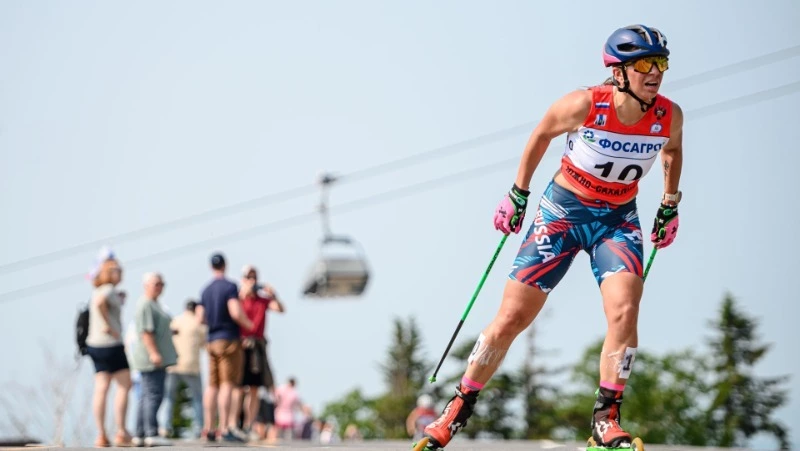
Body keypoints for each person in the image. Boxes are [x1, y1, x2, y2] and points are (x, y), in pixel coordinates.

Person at [420, 24, 683, 449]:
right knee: (511, 318)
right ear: (618, 72)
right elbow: (541, 135)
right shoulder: (583, 104)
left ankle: (605, 418)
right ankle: (458, 406)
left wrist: (670, 203)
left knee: (625, 309)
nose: (657, 73)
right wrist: (517, 194)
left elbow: (672, 149)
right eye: (645, 64)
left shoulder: (669, 115)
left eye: (662, 63)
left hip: (617, 220)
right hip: (562, 213)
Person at [195, 252, 254, 442]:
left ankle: (208, 428)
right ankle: (225, 428)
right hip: (228, 339)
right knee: (227, 384)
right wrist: (248, 324)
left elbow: (200, 318)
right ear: (225, 265)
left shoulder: (205, 290)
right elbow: (235, 311)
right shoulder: (229, 287)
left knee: (212, 386)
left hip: (211, 340)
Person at [84, 247, 133, 447]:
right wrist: (109, 326)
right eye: (118, 271)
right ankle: (121, 431)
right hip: (111, 344)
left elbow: (98, 301)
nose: (121, 274)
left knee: (101, 387)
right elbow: (100, 303)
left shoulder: (97, 288)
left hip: (94, 345)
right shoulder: (108, 290)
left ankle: (101, 434)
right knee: (124, 384)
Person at [130, 272, 176, 447]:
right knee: (154, 395)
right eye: (156, 284)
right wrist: (154, 353)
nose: (159, 287)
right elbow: (146, 331)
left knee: (146, 395)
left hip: (155, 356)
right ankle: (151, 432)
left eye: (162, 284)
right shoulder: (146, 304)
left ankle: (140, 432)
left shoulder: (155, 304)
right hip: (150, 358)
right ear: (146, 285)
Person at [237, 265, 285, 435]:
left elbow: (280, 309)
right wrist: (243, 293)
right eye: (248, 277)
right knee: (239, 388)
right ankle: (235, 424)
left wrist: (274, 294)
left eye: (254, 277)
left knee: (255, 388)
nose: (252, 280)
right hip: (241, 345)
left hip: (257, 345)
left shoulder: (263, 300)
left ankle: (250, 424)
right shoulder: (237, 298)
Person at [159, 299, 207, 439]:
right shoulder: (198, 324)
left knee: (168, 398)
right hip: (191, 366)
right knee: (197, 398)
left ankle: (165, 427)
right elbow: (205, 344)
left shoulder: (175, 321)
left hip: (173, 365)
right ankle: (199, 427)